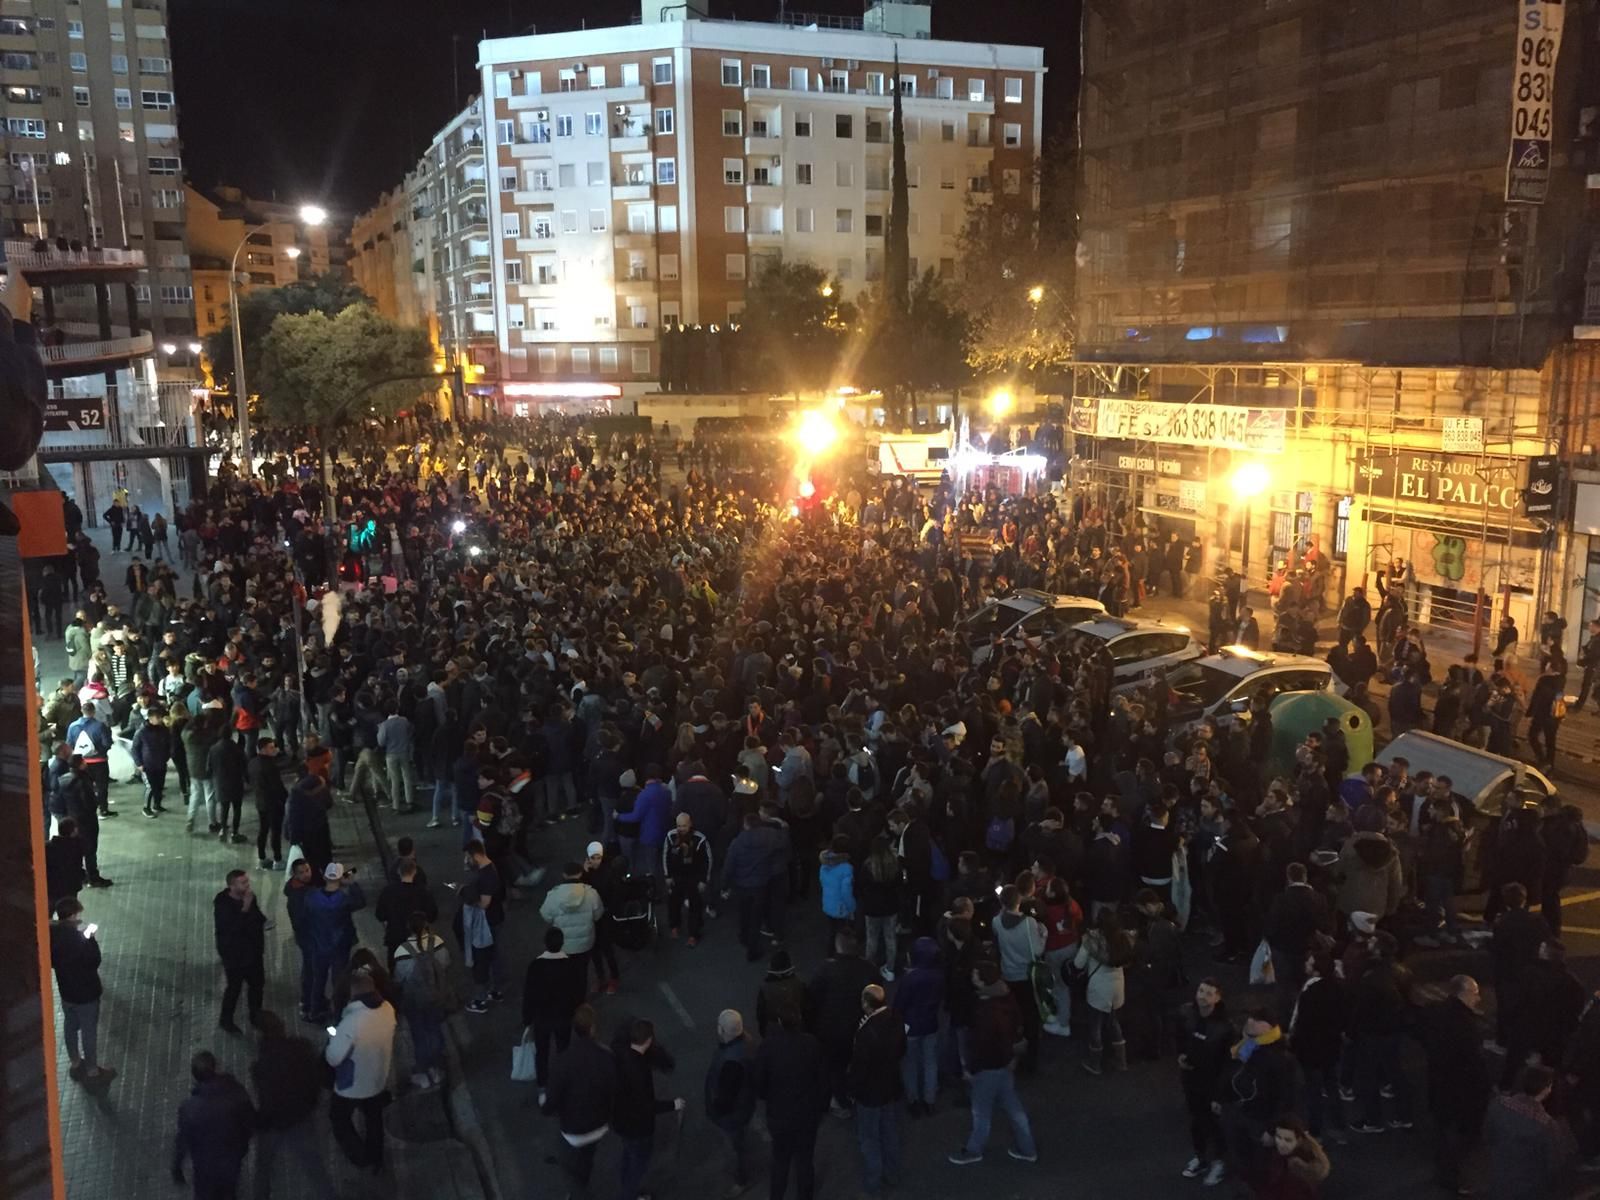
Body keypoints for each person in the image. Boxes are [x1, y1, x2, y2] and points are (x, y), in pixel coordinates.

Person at [948, 958, 1038, 1166]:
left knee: (981, 1113)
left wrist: (970, 1068)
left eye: (975, 974)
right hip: (1005, 1063)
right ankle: (1027, 1147)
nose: (972, 977)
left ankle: (974, 1150)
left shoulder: (985, 1010)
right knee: (1013, 1107)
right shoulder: (1006, 998)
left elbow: (981, 1045)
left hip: (987, 1066)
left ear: (982, 980)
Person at [1416, 974, 1492, 1194]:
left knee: (1443, 1129)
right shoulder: (1465, 1025)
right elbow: (1473, 1062)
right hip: (1460, 1088)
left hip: (1438, 1081)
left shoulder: (1435, 1012)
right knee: (1455, 1137)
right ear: (1465, 993)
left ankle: (1446, 1169)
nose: (1478, 998)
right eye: (1475, 993)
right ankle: (1450, 1177)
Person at [251, 1011, 337, 1200]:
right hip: (301, 1117)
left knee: (264, 1167)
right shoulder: (302, 1047)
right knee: (314, 1166)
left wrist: (259, 1122)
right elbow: (316, 1078)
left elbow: (267, 1102)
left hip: (275, 1124)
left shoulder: (261, 1066)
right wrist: (311, 1103)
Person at [751, 1001, 829, 1200]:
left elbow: (759, 1084)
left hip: (779, 1117)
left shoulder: (768, 1046)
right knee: (804, 1161)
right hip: (807, 1117)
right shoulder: (811, 1043)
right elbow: (823, 1081)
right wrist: (821, 1108)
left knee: (780, 1161)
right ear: (799, 1019)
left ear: (779, 1021)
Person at [324, 968, 397, 1173]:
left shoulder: (351, 1023)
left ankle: (360, 1156)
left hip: (352, 1085)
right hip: (378, 1079)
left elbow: (333, 1057)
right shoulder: (388, 1009)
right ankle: (377, 1157)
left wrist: (332, 1034)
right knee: (374, 1119)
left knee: (339, 1119)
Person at [542, 1004, 617, 1199]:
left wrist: (545, 1106)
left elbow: (551, 1102)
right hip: (599, 1125)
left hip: (573, 1130)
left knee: (568, 1169)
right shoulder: (607, 1057)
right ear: (593, 1029)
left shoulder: (563, 1061)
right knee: (586, 1160)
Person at [1216, 1010, 1297, 1186]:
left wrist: (1272, 1128)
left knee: (1261, 1163)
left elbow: (1285, 1098)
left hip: (1261, 1119)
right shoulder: (1242, 1047)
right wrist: (1221, 1098)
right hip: (1236, 1110)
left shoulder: (1280, 1059)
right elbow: (1229, 1072)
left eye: (1253, 1034)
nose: (1248, 1036)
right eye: (1247, 1032)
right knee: (1240, 1157)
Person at [807, 928, 882, 1117]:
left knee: (835, 1068)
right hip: (861, 1028)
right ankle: (857, 1091)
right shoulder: (869, 969)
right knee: (858, 1063)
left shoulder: (825, 969)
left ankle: (841, 1102)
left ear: (837, 946)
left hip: (831, 1031)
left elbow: (811, 1001)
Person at [612, 1017, 685, 1200]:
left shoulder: (621, 1054)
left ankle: (626, 1188)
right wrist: (673, 1105)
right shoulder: (639, 1070)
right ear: (649, 1040)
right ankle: (628, 1195)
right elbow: (647, 1106)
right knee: (638, 1164)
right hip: (638, 1127)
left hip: (620, 1120)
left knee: (628, 1157)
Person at [171, 1050, 255, 1200]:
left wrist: (177, 1166)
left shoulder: (189, 1108)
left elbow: (183, 1140)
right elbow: (250, 1119)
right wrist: (242, 1145)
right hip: (231, 1158)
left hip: (205, 1165)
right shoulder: (235, 1090)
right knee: (229, 1191)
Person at [849, 983, 906, 1196]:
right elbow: (902, 1050)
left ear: (867, 1003)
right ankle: (892, 1173)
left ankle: (874, 1183)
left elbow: (859, 1068)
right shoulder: (896, 1018)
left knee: (869, 1138)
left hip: (870, 1094)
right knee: (890, 1132)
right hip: (890, 1087)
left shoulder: (866, 1033)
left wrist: (852, 1090)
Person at [1484, 1064, 1572, 1200]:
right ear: (1546, 1090)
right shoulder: (1547, 1125)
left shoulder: (1497, 1104)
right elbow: (1554, 1164)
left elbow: (1488, 1137)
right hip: (1529, 1187)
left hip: (1499, 1176)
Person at [50, 897, 113, 1083]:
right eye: (77, 914)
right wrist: (91, 940)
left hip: (67, 992)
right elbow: (94, 962)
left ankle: (75, 1061)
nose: (79, 917)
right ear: (71, 916)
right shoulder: (78, 939)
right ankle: (93, 1070)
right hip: (86, 994)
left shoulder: (52, 936)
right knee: (88, 1031)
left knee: (70, 1025)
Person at [522, 925, 588, 1104]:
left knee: (542, 1053)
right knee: (562, 1051)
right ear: (562, 943)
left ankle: (543, 1088)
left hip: (542, 1019)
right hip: (564, 1018)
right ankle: (563, 1084)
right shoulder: (570, 966)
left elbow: (529, 995)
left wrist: (527, 1019)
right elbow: (579, 993)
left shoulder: (536, 966)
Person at [1178, 979, 1234, 1185]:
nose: (1202, 996)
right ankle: (1201, 1157)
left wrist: (1220, 1094)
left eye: (1209, 993)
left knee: (1215, 1124)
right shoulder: (1186, 1014)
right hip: (1191, 1081)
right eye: (1201, 991)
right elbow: (1181, 1039)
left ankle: (1220, 1162)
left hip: (1212, 1084)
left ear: (1218, 998)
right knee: (1196, 1121)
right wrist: (1182, 1055)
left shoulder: (1226, 1028)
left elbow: (1228, 1064)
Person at [392, 911, 453, 1091]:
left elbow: (399, 978)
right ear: (426, 925)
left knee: (419, 1034)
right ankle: (436, 1067)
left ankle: (422, 1070)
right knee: (435, 1029)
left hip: (413, 1000)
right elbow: (446, 964)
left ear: (408, 928)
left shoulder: (402, 950)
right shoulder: (438, 942)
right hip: (437, 996)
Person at [705, 1009, 758, 1200]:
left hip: (733, 1116)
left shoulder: (730, 1061)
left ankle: (741, 1179)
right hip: (745, 1105)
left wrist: (716, 1112)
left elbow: (725, 1100)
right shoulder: (748, 1043)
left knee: (735, 1148)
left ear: (722, 1030)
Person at [1074, 907, 1133, 1075]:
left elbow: (1078, 964)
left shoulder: (1092, 941)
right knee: (1114, 1022)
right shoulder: (1123, 939)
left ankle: (1095, 1063)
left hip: (1098, 989)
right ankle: (1121, 1060)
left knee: (1095, 1026)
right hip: (1117, 987)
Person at [304, 862, 366, 1022]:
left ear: (325, 876)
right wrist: (352, 884)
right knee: (338, 980)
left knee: (319, 979)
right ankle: (338, 1013)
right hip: (340, 946)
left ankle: (314, 1010)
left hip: (318, 944)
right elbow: (361, 902)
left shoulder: (311, 897)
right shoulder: (344, 900)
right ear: (341, 878)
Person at [893, 936, 944, 1116]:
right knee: (930, 1061)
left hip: (910, 1025)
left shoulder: (910, 978)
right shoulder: (938, 975)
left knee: (910, 1062)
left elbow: (900, 1004)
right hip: (931, 1022)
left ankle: (913, 1099)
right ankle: (930, 1099)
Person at [214, 868, 267, 1034]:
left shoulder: (250, 898)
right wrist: (245, 907)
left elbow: (257, 916)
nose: (247, 884)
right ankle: (226, 1020)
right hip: (235, 957)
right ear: (231, 885)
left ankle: (255, 1015)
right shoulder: (223, 903)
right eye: (243, 882)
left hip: (253, 953)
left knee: (257, 986)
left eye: (247, 881)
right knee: (234, 989)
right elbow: (232, 929)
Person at [538, 860, 604, 980]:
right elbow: (597, 916)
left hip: (563, 943)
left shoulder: (554, 895)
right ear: (580, 874)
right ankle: (581, 997)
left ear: (564, 874)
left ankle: (568, 996)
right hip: (585, 942)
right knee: (582, 971)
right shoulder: (591, 894)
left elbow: (546, 916)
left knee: (566, 973)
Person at [375, 857, 438, 963]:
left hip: (395, 939)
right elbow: (432, 915)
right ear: (415, 871)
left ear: (399, 872)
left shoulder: (388, 891)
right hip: (420, 939)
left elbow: (380, 915)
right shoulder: (423, 892)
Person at [663, 811, 713, 945]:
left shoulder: (700, 838)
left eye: (684, 826)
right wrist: (667, 875)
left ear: (690, 824)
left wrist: (703, 880)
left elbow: (707, 860)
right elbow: (665, 856)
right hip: (676, 876)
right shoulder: (670, 836)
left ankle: (693, 934)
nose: (681, 829)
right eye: (679, 826)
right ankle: (674, 926)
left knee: (695, 906)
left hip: (693, 877)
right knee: (673, 903)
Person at [1253, 1116, 1330, 1200]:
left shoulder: (1297, 1170)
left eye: (1288, 1140)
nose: (1281, 1144)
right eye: (1279, 1137)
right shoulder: (1279, 1156)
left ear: (1299, 1140)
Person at [249, 736, 290, 869]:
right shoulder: (270, 766)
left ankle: (262, 858)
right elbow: (277, 786)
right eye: (271, 747)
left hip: (260, 801)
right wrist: (286, 799)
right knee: (275, 832)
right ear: (264, 749)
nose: (275, 750)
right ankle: (277, 860)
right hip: (273, 803)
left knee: (263, 829)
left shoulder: (252, 763)